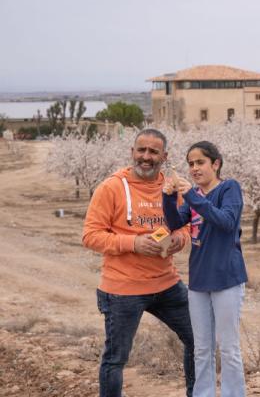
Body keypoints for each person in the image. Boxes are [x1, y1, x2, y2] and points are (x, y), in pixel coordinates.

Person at [82, 128, 195, 397]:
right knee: (116, 358)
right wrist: (133, 243)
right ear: (132, 152)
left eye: (153, 151)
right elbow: (90, 235)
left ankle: (197, 393)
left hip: (167, 284)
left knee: (199, 340)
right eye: (141, 150)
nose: (146, 156)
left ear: (164, 156)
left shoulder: (172, 188)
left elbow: (187, 225)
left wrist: (180, 238)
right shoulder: (111, 187)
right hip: (123, 289)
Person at [162, 140, 247, 397]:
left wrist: (190, 195)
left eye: (200, 162)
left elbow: (226, 221)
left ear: (216, 164)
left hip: (226, 278)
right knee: (201, 348)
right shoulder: (195, 196)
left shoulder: (228, 188)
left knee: (229, 348)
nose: (195, 168)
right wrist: (168, 197)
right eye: (191, 164)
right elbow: (176, 221)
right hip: (199, 280)